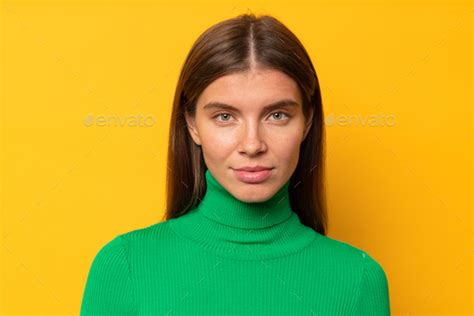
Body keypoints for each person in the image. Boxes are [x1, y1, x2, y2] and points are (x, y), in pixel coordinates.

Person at [80, 13, 390, 315]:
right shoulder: (125, 266)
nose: (252, 145)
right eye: (225, 117)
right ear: (192, 125)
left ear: (307, 122)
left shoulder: (359, 280)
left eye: (277, 115)